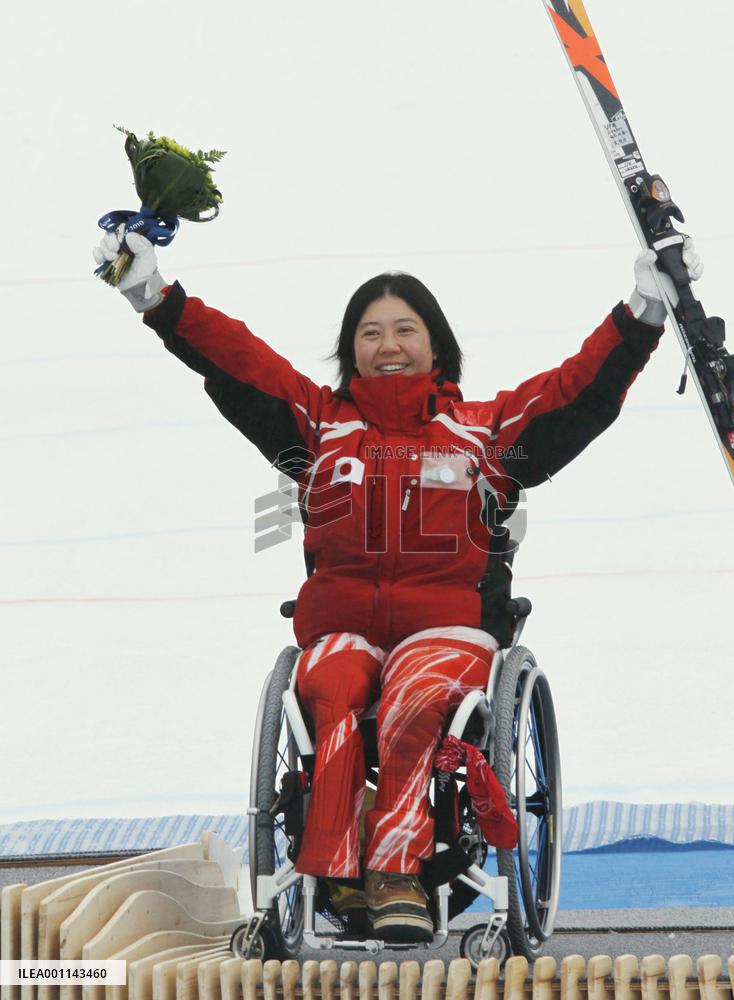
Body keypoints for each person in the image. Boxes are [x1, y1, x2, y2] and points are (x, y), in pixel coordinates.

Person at [93, 227, 702, 942]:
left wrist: (641, 313)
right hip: (341, 626)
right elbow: (241, 363)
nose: (388, 345)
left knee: (415, 694)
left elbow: (575, 392)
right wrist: (154, 296)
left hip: (447, 627)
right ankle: (337, 877)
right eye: (370, 332)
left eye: (405, 330)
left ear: (436, 345)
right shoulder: (318, 428)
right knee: (332, 689)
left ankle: (393, 875)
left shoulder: (483, 434)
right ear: (350, 350)